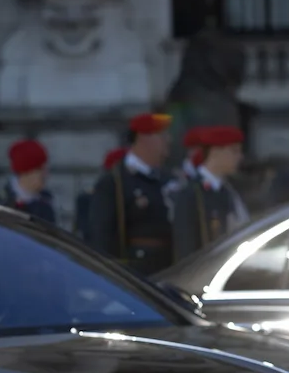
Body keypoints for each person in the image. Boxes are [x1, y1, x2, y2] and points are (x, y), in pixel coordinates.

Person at [82, 112, 174, 275]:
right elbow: (101, 234)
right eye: (161, 136)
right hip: (135, 273)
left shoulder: (167, 179)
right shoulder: (114, 182)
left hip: (168, 270)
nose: (168, 141)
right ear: (144, 139)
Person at [168, 125, 250, 262]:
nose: (240, 157)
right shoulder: (190, 193)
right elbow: (184, 247)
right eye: (234, 151)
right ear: (216, 152)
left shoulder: (228, 191)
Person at [1, 139, 56, 223]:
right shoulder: (2, 203)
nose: (45, 175)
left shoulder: (46, 202)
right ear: (25, 172)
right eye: (39, 169)